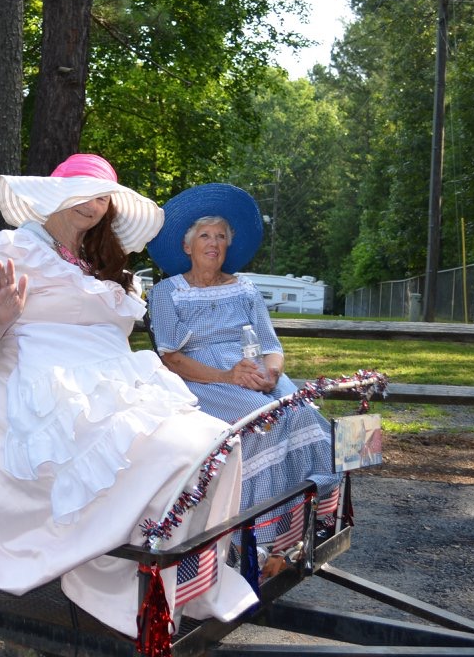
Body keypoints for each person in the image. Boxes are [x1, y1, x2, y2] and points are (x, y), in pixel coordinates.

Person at [0, 154, 257, 636]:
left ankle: (182, 577)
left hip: (109, 385)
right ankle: (115, 584)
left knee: (217, 442)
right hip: (37, 393)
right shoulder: (14, 248)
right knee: (173, 453)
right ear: (54, 195)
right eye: (82, 193)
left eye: (102, 197)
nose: (92, 205)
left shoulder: (100, 262)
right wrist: (0, 314)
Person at [145, 183, 340, 577]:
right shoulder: (167, 292)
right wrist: (227, 375)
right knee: (264, 422)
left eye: (220, 236)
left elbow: (271, 345)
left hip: (253, 373)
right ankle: (257, 539)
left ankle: (299, 526)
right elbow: (171, 357)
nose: (213, 243)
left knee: (301, 411)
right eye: (204, 235)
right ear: (187, 246)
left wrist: (271, 374)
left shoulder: (245, 289)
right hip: (204, 378)